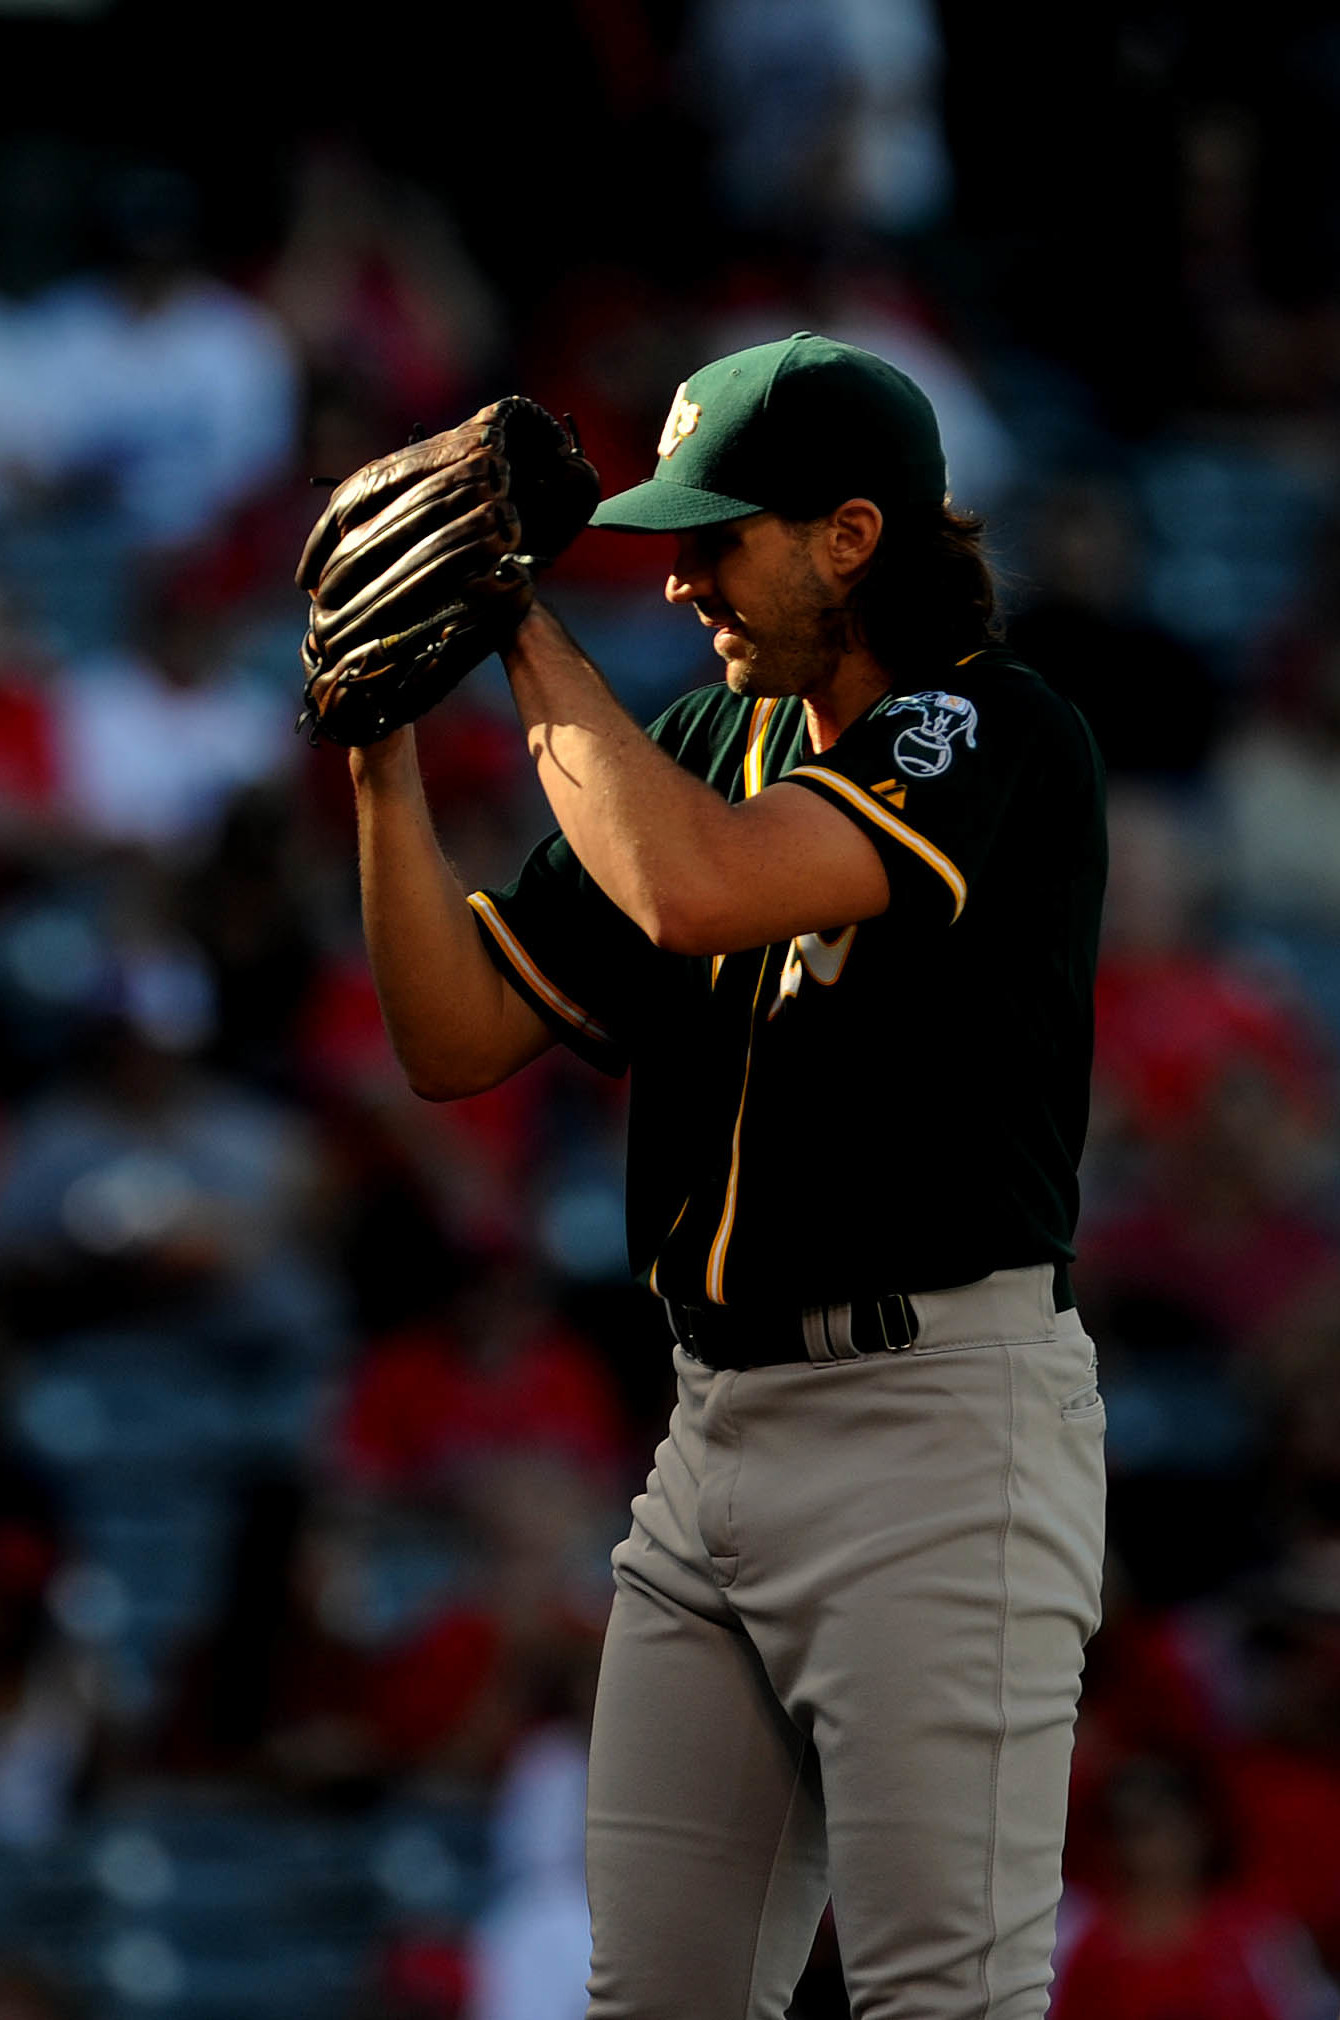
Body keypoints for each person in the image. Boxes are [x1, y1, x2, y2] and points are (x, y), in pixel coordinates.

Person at [348, 333, 1108, 2020]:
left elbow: (698, 891)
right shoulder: (702, 733)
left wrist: (515, 629)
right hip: (716, 1436)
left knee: (944, 2004)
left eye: (720, 533)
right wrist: (380, 756)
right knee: (661, 2000)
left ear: (851, 535)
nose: (679, 573)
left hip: (939, 1428)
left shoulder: (994, 733)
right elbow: (454, 1036)